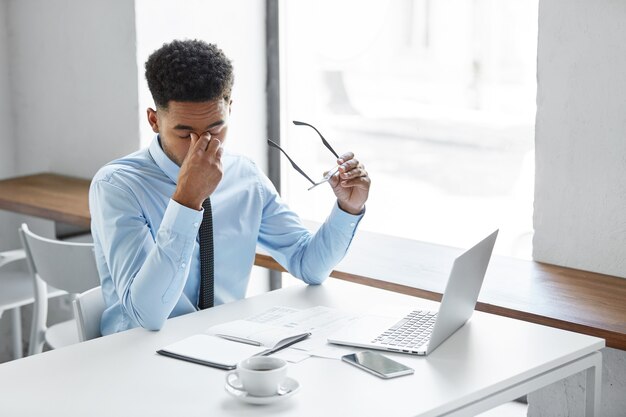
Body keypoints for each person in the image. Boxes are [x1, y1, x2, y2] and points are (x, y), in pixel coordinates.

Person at [89, 39, 371, 335]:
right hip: (138, 352)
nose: (203, 145)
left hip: (226, 346)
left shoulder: (245, 176)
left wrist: (348, 208)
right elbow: (146, 315)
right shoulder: (117, 186)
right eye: (184, 133)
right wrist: (187, 199)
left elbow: (309, 265)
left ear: (230, 111)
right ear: (154, 120)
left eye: (215, 129)